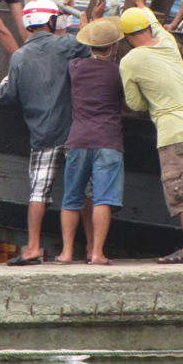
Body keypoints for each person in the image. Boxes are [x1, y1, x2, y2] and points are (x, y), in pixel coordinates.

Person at [0, 0, 90, 265]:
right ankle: (92, 249)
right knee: (85, 191)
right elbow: (91, 48)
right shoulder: (65, 45)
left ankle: (32, 248)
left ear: (29, 26)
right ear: (51, 21)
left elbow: (6, 95)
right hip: (74, 132)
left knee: (38, 193)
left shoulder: (19, 57)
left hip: (43, 135)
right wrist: (89, 23)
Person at [119, 0, 183, 263]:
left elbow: (134, 104)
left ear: (128, 36)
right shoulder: (169, 44)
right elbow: (156, 25)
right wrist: (141, 4)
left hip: (173, 132)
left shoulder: (131, 60)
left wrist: (151, 99)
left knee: (181, 191)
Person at [60, 15, 125, 266]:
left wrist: (88, 24)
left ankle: (66, 252)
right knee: (103, 199)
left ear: (90, 45)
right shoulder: (118, 72)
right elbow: (128, 105)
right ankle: (96, 253)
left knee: (71, 198)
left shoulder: (75, 66)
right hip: (108, 140)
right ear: (115, 46)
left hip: (78, 139)